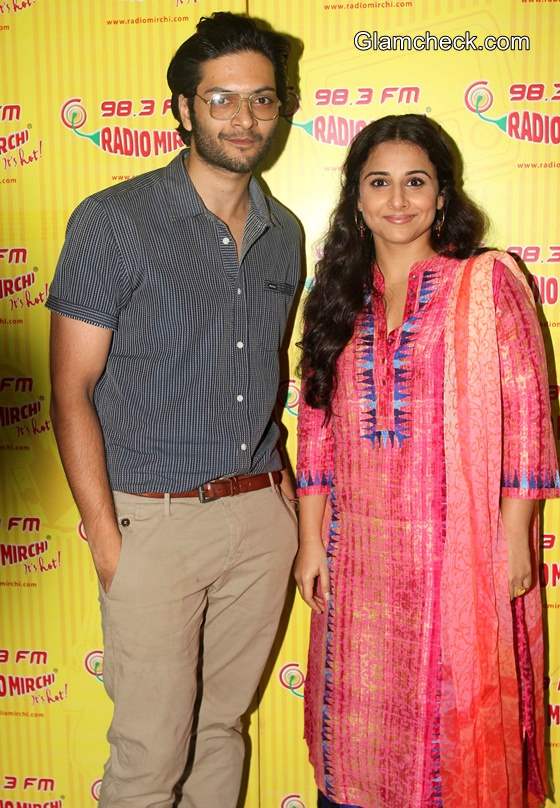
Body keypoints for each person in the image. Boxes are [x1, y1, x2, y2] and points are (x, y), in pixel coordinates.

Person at [48, 12, 301, 808]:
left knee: (222, 730)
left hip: (260, 517)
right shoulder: (113, 220)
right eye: (222, 98)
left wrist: (287, 504)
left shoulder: (285, 232)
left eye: (261, 99)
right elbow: (70, 391)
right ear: (184, 110)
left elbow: (267, 381)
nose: (244, 117)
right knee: (149, 756)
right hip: (150, 523)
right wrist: (106, 535)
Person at [294, 114, 559, 808]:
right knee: (352, 739)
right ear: (356, 197)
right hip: (357, 564)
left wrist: (513, 543)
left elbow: (528, 422)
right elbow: (316, 432)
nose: (398, 199)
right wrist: (309, 544)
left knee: (446, 734)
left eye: (417, 182)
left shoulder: (486, 283)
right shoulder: (335, 298)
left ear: (444, 195)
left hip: (455, 559)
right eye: (379, 182)